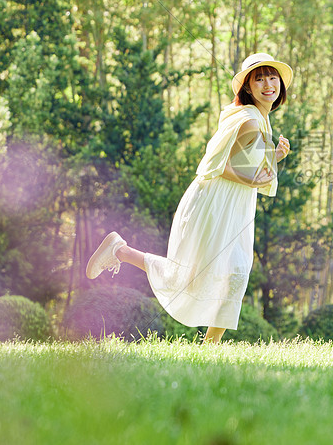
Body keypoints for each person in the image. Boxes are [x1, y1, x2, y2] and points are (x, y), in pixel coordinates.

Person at [86, 52, 293, 343]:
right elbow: (221, 166)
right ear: (247, 87)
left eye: (273, 77)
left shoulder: (256, 117)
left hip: (229, 203)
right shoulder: (249, 120)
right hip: (215, 203)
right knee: (213, 274)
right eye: (259, 78)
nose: (268, 84)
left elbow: (245, 167)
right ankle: (120, 251)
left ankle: (208, 348)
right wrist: (271, 160)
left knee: (230, 273)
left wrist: (274, 156)